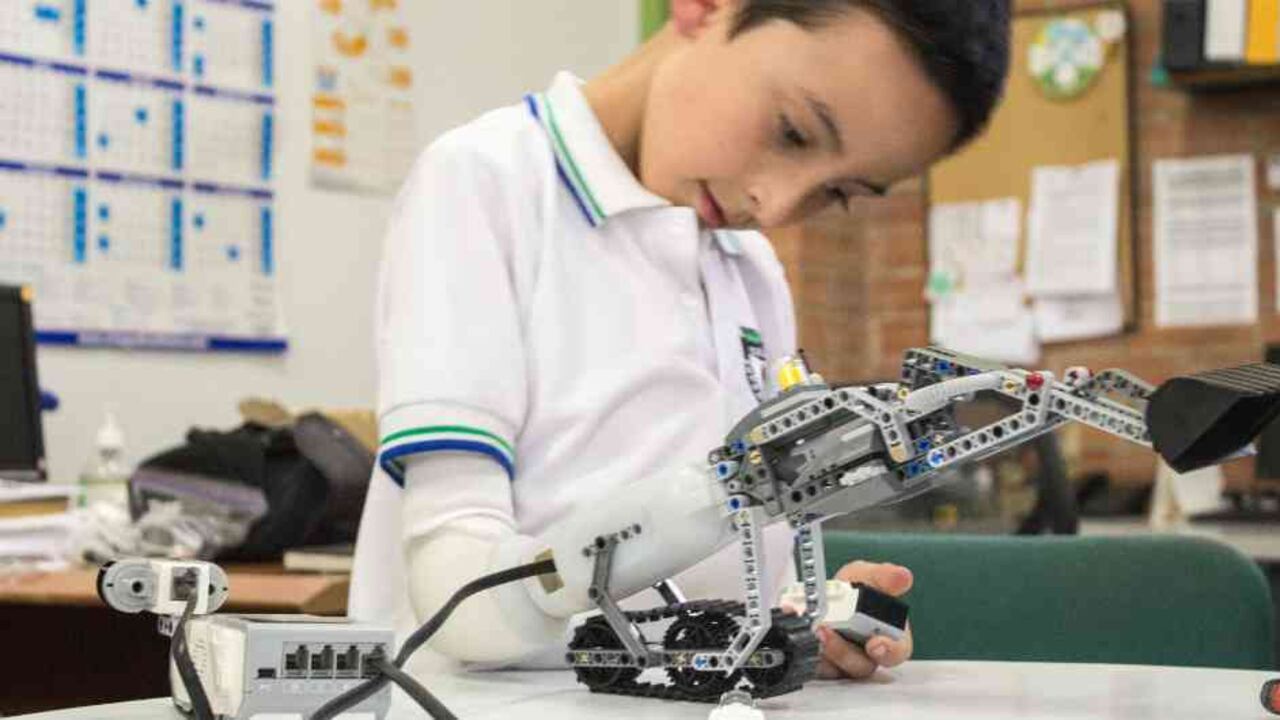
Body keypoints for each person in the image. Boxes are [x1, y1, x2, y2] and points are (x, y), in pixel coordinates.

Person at [351, 0, 1011, 681]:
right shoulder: (485, 183)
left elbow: (739, 552)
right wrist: (698, 639)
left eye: (839, 192)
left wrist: (798, 619)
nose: (779, 205)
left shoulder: (748, 266)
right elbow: (461, 596)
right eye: (792, 132)